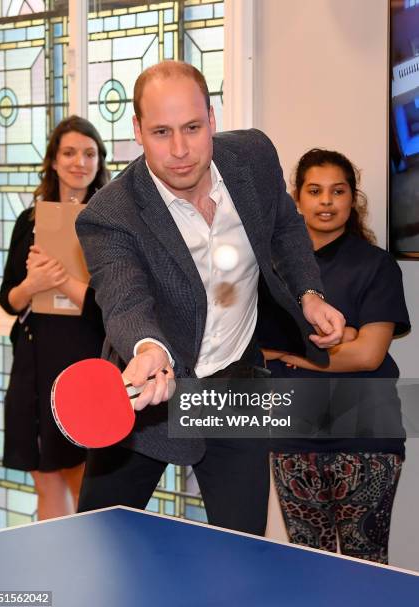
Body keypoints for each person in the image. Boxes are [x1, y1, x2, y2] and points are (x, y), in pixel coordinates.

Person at [75, 61, 345, 536]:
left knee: (245, 547)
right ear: (137, 130)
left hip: (234, 385)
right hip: (150, 396)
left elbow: (284, 223)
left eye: (192, 128)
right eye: (161, 132)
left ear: (212, 120)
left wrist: (309, 293)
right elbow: (124, 296)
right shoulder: (110, 214)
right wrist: (149, 349)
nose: (180, 150)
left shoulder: (253, 158)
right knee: (99, 541)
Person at [258, 148, 410, 562]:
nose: (326, 201)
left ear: (352, 198)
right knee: (308, 565)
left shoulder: (377, 266)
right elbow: (255, 347)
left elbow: (368, 356)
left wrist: (292, 352)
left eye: (337, 191)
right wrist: (336, 341)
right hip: (293, 439)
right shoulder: (273, 271)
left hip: (366, 441)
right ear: (297, 199)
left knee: (365, 567)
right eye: (315, 190)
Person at [0, 115, 109, 520]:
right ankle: (55, 574)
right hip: (33, 361)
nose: (79, 161)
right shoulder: (28, 222)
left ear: (100, 162)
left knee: (84, 480)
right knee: (44, 478)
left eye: (89, 153)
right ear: (53, 160)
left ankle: (92, 573)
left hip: (84, 364)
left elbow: (110, 307)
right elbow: (8, 299)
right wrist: (34, 282)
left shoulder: (110, 226)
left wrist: (62, 282)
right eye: (69, 152)